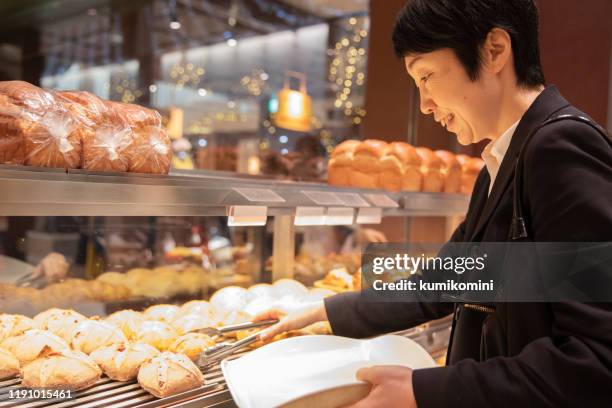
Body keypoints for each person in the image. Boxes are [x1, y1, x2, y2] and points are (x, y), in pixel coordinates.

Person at [255, 0, 612, 406]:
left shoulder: (559, 146)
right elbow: (444, 281)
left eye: (426, 76)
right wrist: (326, 310)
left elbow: (597, 359)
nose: (424, 104)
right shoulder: (503, 161)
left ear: (495, 50)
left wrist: (422, 390)